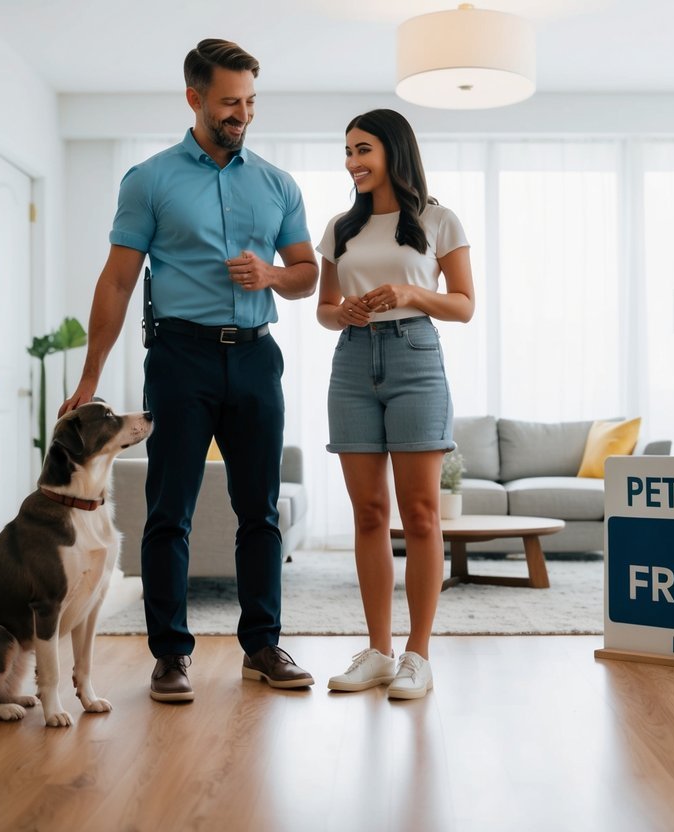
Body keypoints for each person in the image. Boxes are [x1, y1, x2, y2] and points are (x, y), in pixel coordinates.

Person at [60, 39, 319, 702]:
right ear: (195, 98)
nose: (242, 114)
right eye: (230, 102)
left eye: (250, 102)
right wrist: (90, 379)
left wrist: (272, 274)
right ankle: (170, 656)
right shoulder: (149, 180)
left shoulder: (276, 183)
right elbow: (117, 282)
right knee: (167, 511)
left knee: (259, 509)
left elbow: (306, 273)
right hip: (180, 358)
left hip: (257, 356)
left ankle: (263, 646)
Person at [316, 109, 475, 699]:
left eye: (364, 150)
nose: (353, 162)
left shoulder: (439, 220)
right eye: (348, 151)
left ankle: (418, 654)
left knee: (422, 514)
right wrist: (345, 313)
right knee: (368, 515)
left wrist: (411, 292)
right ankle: (379, 652)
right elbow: (325, 310)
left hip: (416, 359)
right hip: (354, 363)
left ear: (393, 151)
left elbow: (463, 304)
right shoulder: (340, 227)